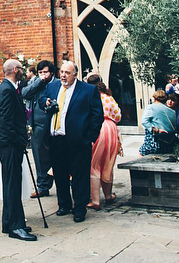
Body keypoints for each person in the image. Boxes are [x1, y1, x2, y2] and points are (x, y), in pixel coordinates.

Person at [40, 60, 104, 222]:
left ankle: (80, 208)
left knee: (79, 175)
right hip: (57, 139)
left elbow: (97, 116)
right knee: (60, 174)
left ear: (75, 74)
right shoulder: (53, 87)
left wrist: (90, 137)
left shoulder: (88, 91)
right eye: (61, 72)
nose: (63, 75)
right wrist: (45, 103)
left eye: (67, 73)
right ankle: (64, 205)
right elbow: (42, 100)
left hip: (78, 140)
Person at [0, 59, 37, 241]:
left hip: (9, 143)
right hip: (9, 144)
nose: (23, 71)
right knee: (12, 184)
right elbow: (7, 121)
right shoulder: (6, 90)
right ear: (13, 69)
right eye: (20, 68)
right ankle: (15, 226)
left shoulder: (8, 88)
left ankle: (8, 221)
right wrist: (20, 140)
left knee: (11, 182)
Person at [85, 74, 121, 208]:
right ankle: (108, 196)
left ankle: (95, 200)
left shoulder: (89, 96)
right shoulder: (108, 97)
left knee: (93, 165)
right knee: (107, 163)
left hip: (96, 127)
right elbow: (118, 115)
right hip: (111, 129)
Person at [22, 59, 56, 198]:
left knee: (56, 156)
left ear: (52, 72)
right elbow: (24, 93)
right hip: (37, 125)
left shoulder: (56, 84)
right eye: (40, 72)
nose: (43, 75)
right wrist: (39, 82)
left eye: (45, 72)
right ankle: (42, 186)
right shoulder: (35, 84)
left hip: (53, 125)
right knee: (39, 157)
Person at [138, 89, 177, 155]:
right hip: (168, 141)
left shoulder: (151, 107)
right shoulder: (172, 111)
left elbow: (144, 121)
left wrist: (156, 129)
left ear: (154, 98)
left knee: (141, 153)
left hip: (156, 140)